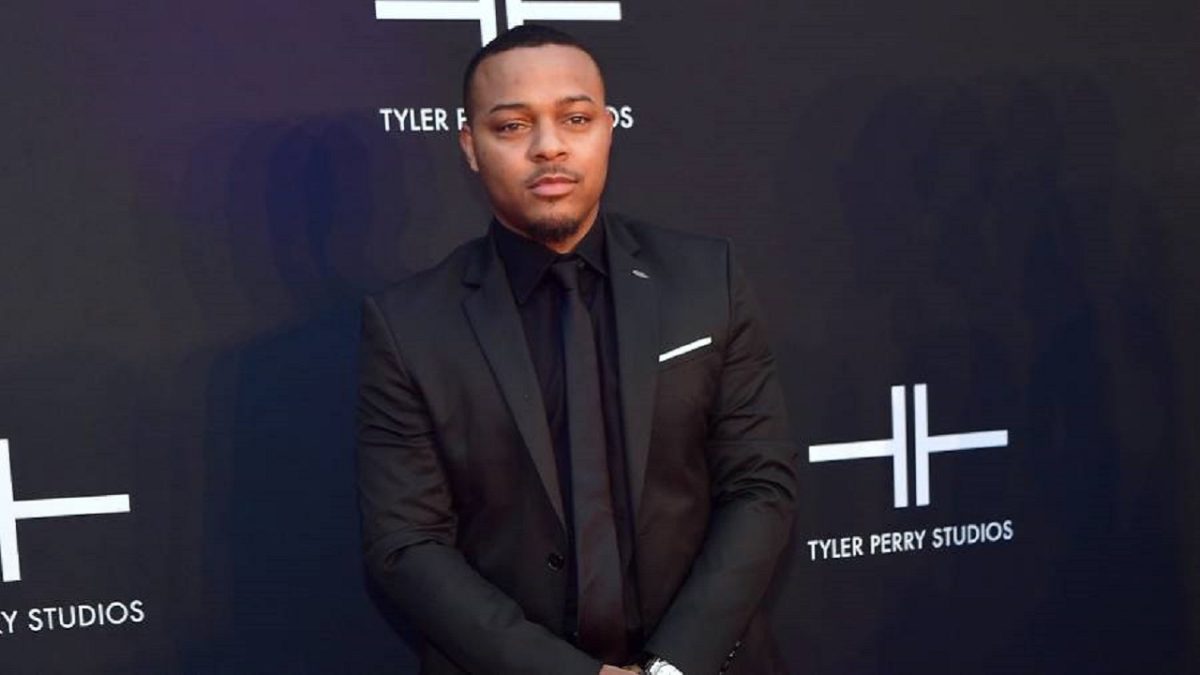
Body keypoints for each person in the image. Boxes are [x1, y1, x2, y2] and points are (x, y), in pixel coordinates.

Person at [356, 25, 798, 675]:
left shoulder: (708, 280)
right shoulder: (409, 326)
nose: (549, 146)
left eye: (576, 118)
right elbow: (407, 543)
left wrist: (673, 665)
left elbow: (760, 486)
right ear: (470, 146)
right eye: (512, 126)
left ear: (609, 129)